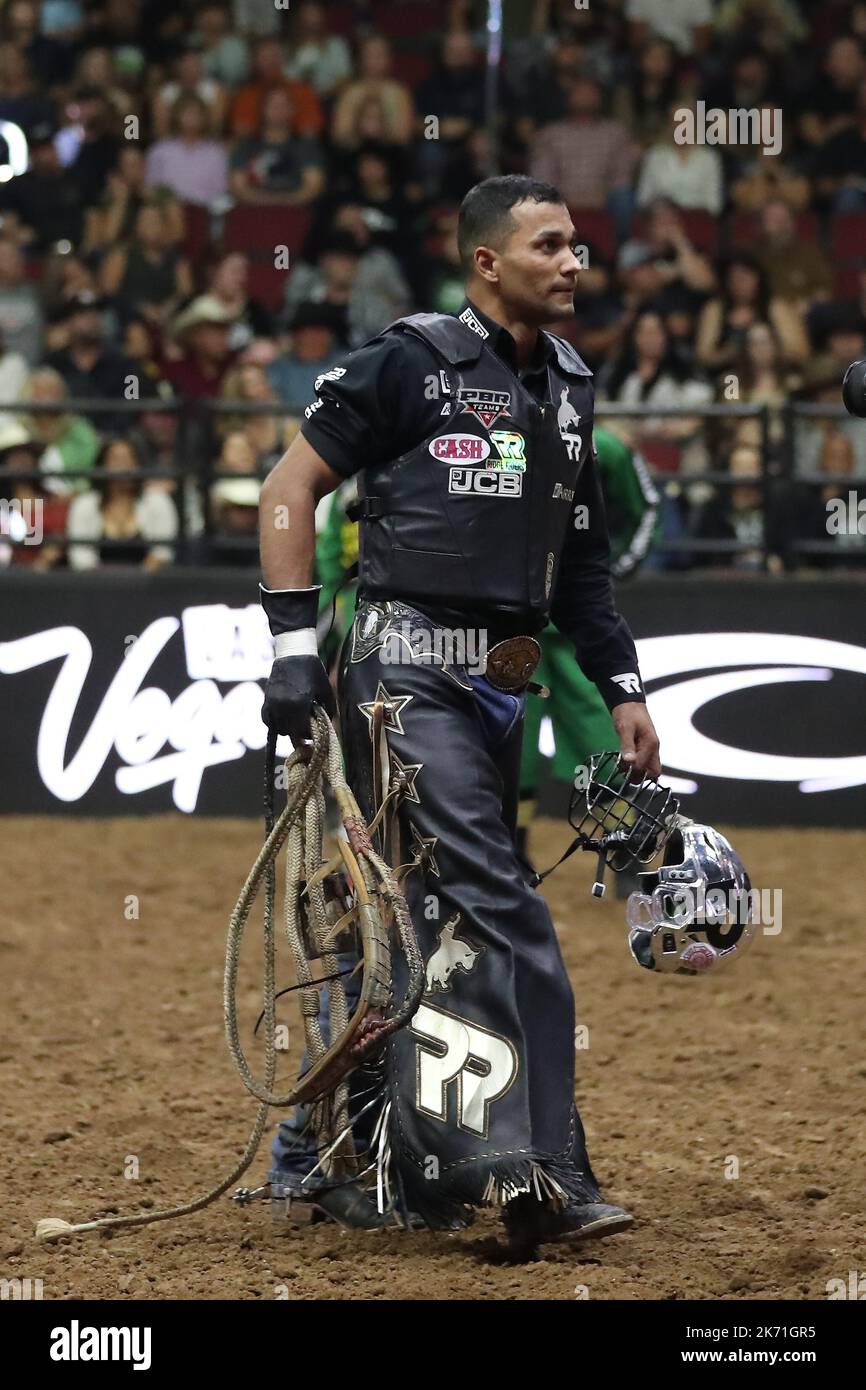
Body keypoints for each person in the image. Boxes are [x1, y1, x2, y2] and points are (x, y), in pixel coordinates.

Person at [258, 175, 660, 1249]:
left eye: (576, 244)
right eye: (549, 244)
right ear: (488, 263)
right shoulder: (407, 361)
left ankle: (334, 1156)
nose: (573, 261)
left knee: (400, 920)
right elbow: (290, 487)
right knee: (495, 905)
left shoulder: (570, 385)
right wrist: (293, 653)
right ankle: (541, 1168)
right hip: (400, 670)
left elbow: (579, 565)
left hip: (501, 682)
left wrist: (620, 685)